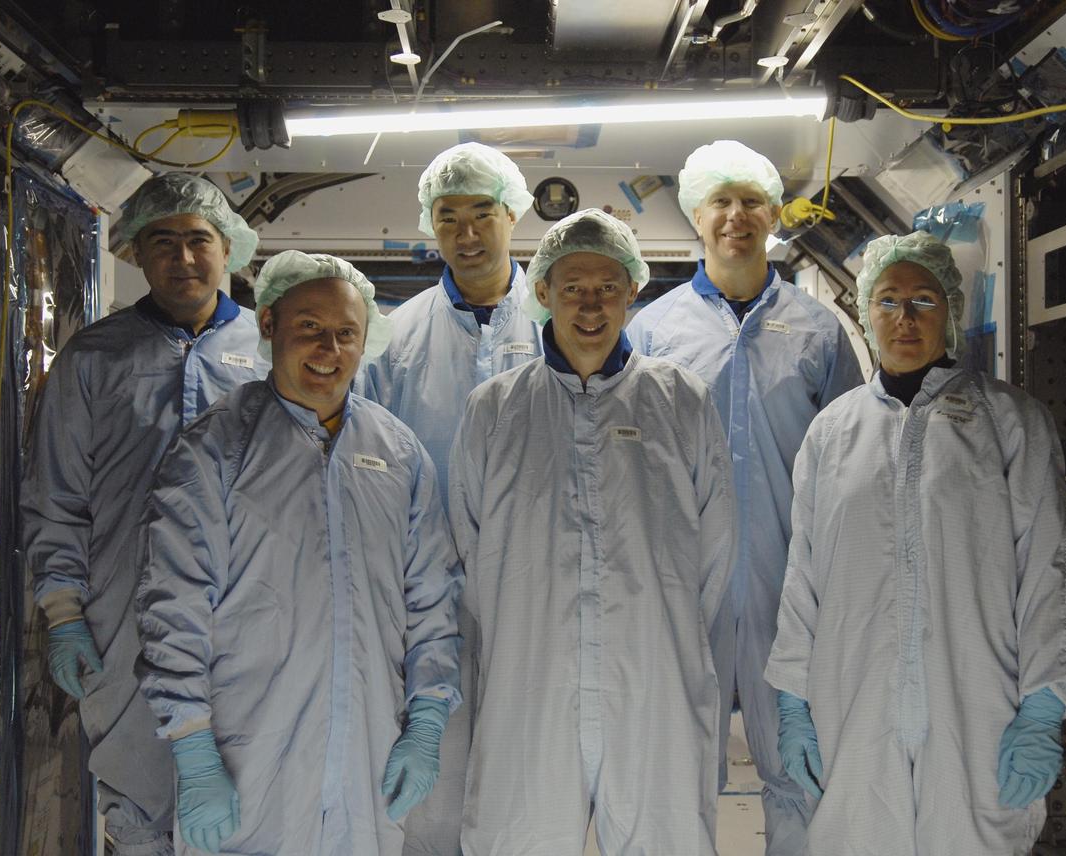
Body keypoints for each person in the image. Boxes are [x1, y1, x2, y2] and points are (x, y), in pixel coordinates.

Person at [764, 232, 1066, 855]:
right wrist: (793, 703)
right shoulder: (833, 432)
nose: (904, 318)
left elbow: (1047, 568)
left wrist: (1045, 702)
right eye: (887, 301)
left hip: (978, 704)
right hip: (851, 702)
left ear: (951, 313)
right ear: (865, 315)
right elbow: (802, 577)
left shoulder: (1011, 422)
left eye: (923, 300)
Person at [135, 251, 463, 855]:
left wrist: (428, 723)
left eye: (346, 333)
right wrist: (192, 747)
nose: (327, 349)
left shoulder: (397, 452)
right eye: (309, 327)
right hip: (245, 754)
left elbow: (432, 602)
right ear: (268, 326)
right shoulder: (215, 448)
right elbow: (174, 605)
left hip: (367, 753)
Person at [449, 209, 736, 855]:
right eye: (572, 286)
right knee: (515, 839)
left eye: (607, 286)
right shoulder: (495, 410)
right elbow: (466, 551)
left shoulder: (680, 401)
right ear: (542, 292)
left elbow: (715, 550)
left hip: (654, 681)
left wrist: (660, 631)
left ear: (633, 292)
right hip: (527, 685)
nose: (589, 304)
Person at [626, 139, 862, 855]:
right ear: (697, 216)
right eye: (721, 202)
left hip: (788, 578)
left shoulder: (820, 331)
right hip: (680, 576)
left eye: (751, 201)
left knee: (798, 756)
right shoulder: (652, 330)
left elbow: (856, 455)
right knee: (674, 765)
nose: (736, 216)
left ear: (773, 215)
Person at [21, 173, 267, 855]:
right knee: (139, 796)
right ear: (134, 252)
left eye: (199, 241)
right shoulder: (93, 359)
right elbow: (57, 494)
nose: (183, 259)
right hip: (121, 619)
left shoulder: (273, 352)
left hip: (248, 608)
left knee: (251, 791)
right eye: (164, 242)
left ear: (229, 249)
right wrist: (66, 615)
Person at [357, 141, 539, 856]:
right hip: (424, 589)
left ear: (512, 215)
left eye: (482, 213)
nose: (466, 232)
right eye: (448, 216)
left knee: (528, 772)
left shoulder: (562, 327)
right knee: (430, 778)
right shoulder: (394, 340)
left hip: (536, 584)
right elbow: (368, 470)